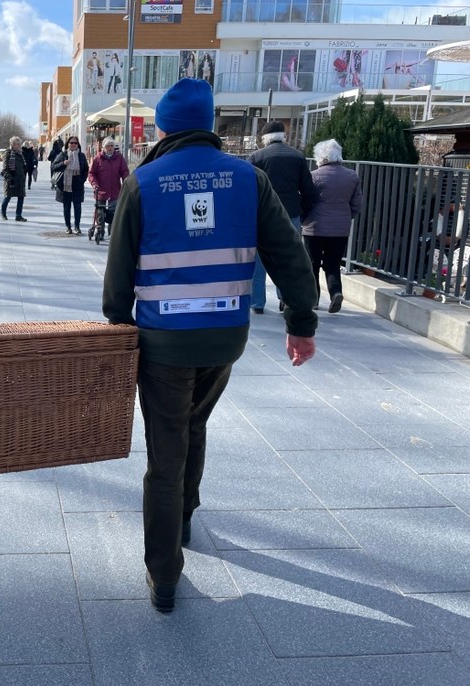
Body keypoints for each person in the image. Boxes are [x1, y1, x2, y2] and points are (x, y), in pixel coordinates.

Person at [102, 78, 318, 614]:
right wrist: (301, 322)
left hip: (163, 341)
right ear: (210, 124)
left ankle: (164, 572)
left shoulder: (144, 181)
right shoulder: (249, 178)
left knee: (165, 449)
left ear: (164, 127)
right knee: (195, 422)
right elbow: (289, 253)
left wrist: (116, 329)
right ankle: (187, 516)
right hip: (226, 336)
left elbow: (118, 275)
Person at [248, 120, 316, 313]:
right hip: (291, 213)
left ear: (264, 139)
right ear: (282, 136)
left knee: (259, 261)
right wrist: (303, 212)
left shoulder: (256, 157)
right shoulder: (298, 157)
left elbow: (248, 189)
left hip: (261, 214)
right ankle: (285, 299)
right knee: (287, 259)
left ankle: (258, 303)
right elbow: (308, 190)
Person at [302, 139, 363, 313]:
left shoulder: (314, 176)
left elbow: (306, 200)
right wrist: (347, 216)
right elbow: (357, 203)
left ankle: (313, 299)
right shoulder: (352, 176)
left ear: (320, 157)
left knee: (312, 264)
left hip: (314, 227)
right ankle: (336, 292)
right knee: (333, 263)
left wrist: (304, 219)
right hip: (340, 228)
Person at [88, 136, 129, 239]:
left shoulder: (119, 158)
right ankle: (100, 230)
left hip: (115, 189)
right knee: (100, 212)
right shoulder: (98, 158)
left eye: (111, 146)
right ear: (103, 148)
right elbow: (92, 173)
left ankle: (112, 231)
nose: (110, 148)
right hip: (101, 190)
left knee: (113, 212)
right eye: (108, 146)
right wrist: (94, 184)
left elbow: (124, 171)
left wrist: (126, 181)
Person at [51, 136, 89, 235]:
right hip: (65, 185)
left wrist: (82, 180)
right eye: (71, 143)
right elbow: (53, 166)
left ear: (78, 145)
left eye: (75, 143)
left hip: (77, 184)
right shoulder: (62, 154)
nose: (73, 144)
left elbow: (86, 169)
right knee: (67, 207)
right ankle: (68, 226)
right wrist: (63, 163)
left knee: (77, 206)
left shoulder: (81, 156)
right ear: (68, 144)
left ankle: (77, 226)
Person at [0, 136, 27, 221]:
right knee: (7, 197)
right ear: (12, 144)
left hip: (20, 179)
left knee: (21, 197)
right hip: (11, 180)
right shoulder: (8, 154)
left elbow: (23, 166)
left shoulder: (20, 154)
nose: (19, 146)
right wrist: (10, 179)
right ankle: (3, 214)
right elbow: (5, 169)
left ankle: (18, 215)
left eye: (19, 144)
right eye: (17, 144)